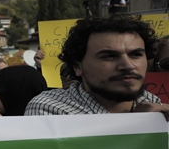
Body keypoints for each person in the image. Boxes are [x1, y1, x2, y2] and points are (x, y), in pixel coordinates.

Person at [26, 14, 165, 116]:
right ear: (77, 67)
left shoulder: (152, 102)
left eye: (136, 55)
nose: (128, 65)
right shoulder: (50, 109)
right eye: (109, 56)